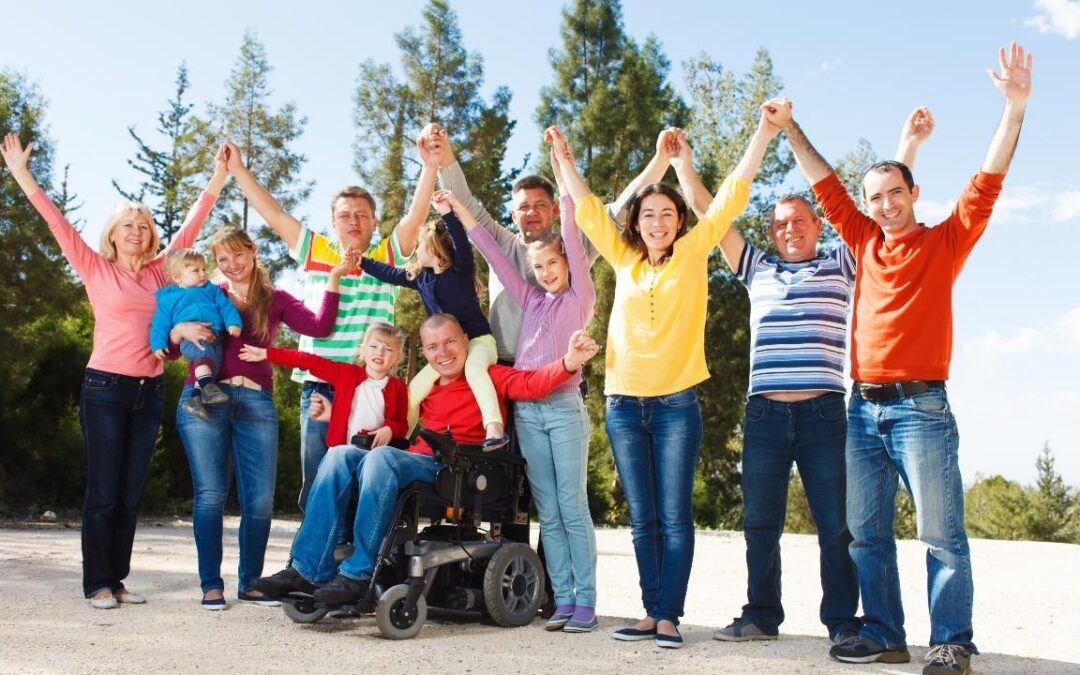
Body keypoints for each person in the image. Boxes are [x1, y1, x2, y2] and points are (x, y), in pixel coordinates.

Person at [765, 42, 1032, 675]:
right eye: (875, 196)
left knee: (940, 535)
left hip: (922, 408)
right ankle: (885, 633)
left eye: (894, 192)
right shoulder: (861, 239)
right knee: (867, 533)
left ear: (914, 192)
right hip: (863, 410)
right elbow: (823, 182)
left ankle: (952, 643)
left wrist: (1014, 107)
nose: (885, 204)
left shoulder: (945, 241)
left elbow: (988, 179)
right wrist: (787, 126)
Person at [668, 109, 932, 648]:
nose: (790, 229)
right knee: (759, 525)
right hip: (764, 414)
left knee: (837, 525)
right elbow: (707, 210)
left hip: (824, 414)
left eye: (800, 221)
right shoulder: (755, 267)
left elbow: (880, 208)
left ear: (817, 226)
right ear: (771, 232)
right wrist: (682, 165)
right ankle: (761, 614)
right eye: (780, 223)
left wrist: (907, 144)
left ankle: (842, 622)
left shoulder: (842, 261)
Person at [548, 122, 773, 648]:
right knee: (643, 517)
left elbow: (733, 194)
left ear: (679, 222)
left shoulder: (695, 252)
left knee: (674, 515)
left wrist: (760, 132)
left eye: (667, 214)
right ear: (637, 221)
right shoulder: (623, 257)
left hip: (676, 405)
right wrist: (562, 155)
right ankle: (650, 612)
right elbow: (585, 206)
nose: (657, 221)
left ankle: (670, 615)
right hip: (624, 403)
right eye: (648, 214)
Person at [0, 132, 228, 609]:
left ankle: (118, 578)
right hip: (104, 387)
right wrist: (21, 173)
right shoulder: (94, 267)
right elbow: (56, 223)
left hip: (149, 392)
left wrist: (220, 176)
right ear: (112, 234)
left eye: (143, 225)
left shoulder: (164, 270)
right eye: (127, 224)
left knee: (129, 493)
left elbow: (192, 224)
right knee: (103, 491)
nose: (136, 231)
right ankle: (96, 583)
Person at [254, 314, 599, 605]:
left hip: (459, 467)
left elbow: (532, 383)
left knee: (381, 461)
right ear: (424, 352)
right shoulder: (424, 386)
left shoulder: (488, 376)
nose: (442, 353)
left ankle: (357, 575)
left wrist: (569, 361)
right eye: (433, 347)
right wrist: (334, 418)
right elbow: (386, 420)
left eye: (449, 342)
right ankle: (305, 570)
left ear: (466, 339)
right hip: (412, 460)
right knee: (339, 455)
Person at [223, 134, 435, 509]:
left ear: (374, 222)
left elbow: (416, 216)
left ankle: (354, 560)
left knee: (363, 477)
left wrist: (430, 165)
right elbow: (272, 212)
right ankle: (308, 560)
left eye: (361, 215)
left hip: (369, 389)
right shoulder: (315, 250)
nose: (353, 221)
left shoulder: (387, 255)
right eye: (344, 215)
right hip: (321, 384)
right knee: (318, 476)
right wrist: (237, 170)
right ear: (332, 223)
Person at [170, 227, 346, 610]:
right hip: (205, 400)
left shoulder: (276, 299)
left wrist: (332, 280)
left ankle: (249, 582)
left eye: (238, 255)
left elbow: (320, 327)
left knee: (260, 501)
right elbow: (172, 347)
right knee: (211, 495)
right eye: (222, 260)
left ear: (252, 252)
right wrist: (177, 328)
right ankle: (210, 585)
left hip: (256, 402)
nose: (231, 265)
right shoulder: (207, 295)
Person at [464, 145, 598, 632]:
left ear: (567, 262)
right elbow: (492, 252)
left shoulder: (578, 296)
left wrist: (562, 164)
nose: (544, 274)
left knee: (572, 507)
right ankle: (562, 599)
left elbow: (570, 222)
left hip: (563, 410)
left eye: (552, 265)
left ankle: (586, 601)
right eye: (538, 269)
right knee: (548, 512)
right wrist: (457, 209)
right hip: (528, 412)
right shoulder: (530, 296)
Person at [423, 123, 667, 362]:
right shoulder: (501, 243)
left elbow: (618, 213)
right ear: (513, 216)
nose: (532, 212)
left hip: (560, 367)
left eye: (539, 205)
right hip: (505, 366)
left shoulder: (572, 244)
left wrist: (661, 159)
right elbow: (464, 203)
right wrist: (443, 154)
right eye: (524, 207)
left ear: (555, 209)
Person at [359, 187, 508, 450]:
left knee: (474, 370)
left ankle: (494, 428)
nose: (416, 251)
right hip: (445, 350)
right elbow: (388, 272)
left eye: (420, 246)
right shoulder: (421, 278)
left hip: (478, 342)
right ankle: (399, 435)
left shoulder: (460, 271)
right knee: (415, 388)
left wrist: (446, 213)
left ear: (434, 247)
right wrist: (361, 262)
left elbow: (462, 243)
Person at [238, 322, 408, 452]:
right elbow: (307, 360)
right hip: (340, 453)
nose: (379, 353)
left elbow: (402, 425)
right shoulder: (347, 374)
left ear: (397, 357)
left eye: (388, 349)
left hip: (375, 457)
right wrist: (267, 354)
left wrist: (390, 429)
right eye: (374, 346)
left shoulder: (399, 387)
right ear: (363, 350)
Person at [150, 248, 243, 418]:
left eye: (203, 269)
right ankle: (208, 388)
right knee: (204, 353)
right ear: (178, 277)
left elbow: (225, 306)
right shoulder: (168, 298)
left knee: (213, 363)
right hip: (191, 340)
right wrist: (158, 344)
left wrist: (233, 322)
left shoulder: (212, 290)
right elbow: (160, 323)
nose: (202, 274)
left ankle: (194, 399)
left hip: (216, 336)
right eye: (195, 270)